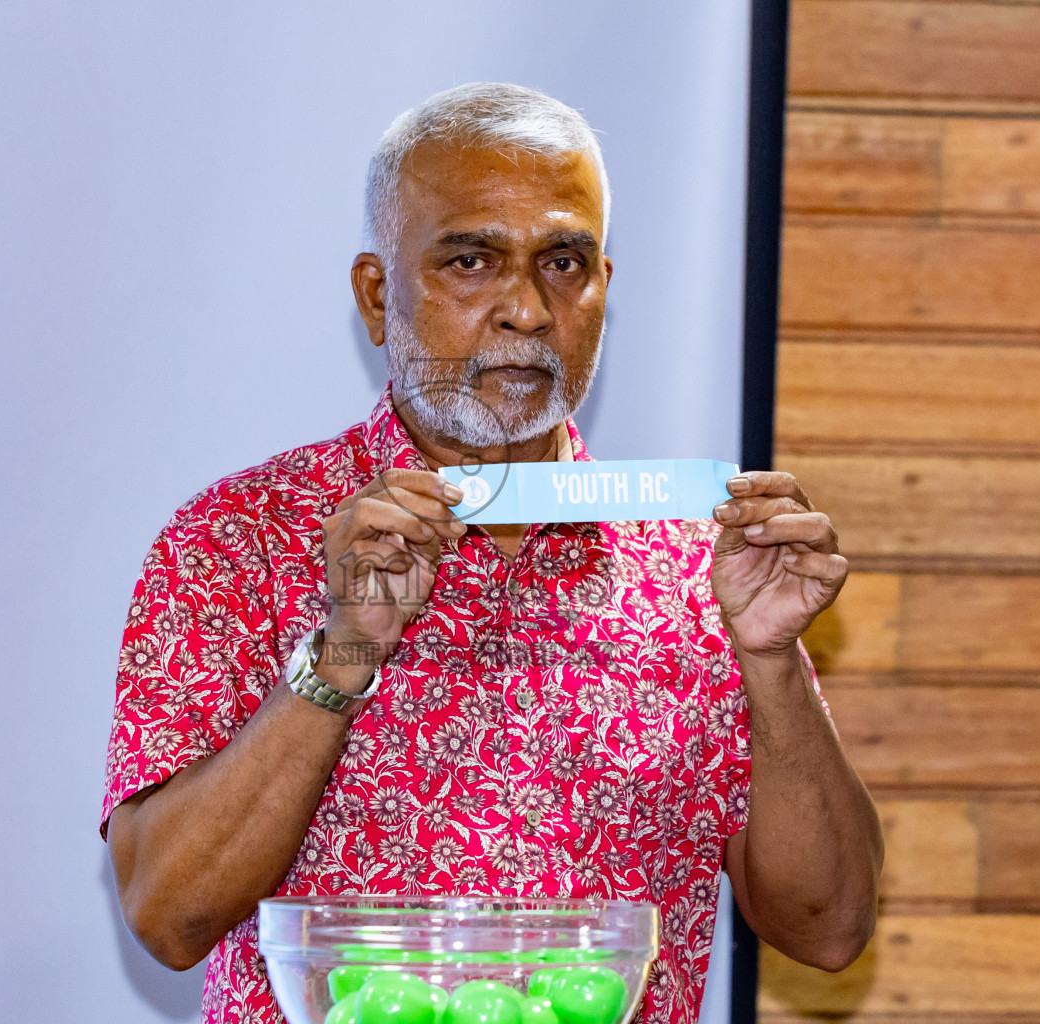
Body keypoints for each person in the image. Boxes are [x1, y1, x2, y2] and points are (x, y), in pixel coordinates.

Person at [102, 83, 881, 1024]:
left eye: (564, 262)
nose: (525, 308)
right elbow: (167, 916)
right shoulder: (241, 540)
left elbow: (829, 929)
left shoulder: (699, 563)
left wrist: (771, 662)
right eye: (469, 259)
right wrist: (347, 647)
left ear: (602, 290)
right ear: (376, 292)